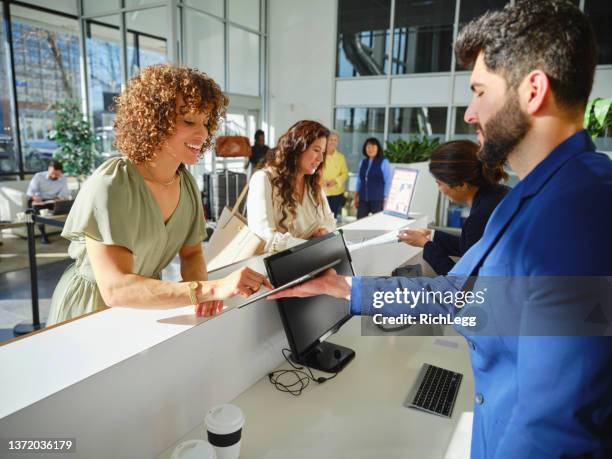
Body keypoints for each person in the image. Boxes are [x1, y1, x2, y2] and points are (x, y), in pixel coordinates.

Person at [271, 1, 612, 457]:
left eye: (479, 91)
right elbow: (460, 295)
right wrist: (348, 289)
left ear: (533, 90)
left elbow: (559, 426)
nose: (470, 113)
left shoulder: (582, 211)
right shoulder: (533, 198)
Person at [47, 64, 270, 326]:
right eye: (188, 121)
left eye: (206, 121)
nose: (202, 133)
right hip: (89, 309)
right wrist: (209, 289)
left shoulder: (186, 184)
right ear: (153, 121)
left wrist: (201, 295)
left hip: (145, 302)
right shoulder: (113, 183)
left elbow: (192, 254)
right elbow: (116, 289)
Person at [399, 140, 510, 275]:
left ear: (461, 184)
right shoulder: (502, 193)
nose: (439, 189)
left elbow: (461, 282)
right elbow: (471, 247)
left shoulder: (478, 219)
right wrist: (432, 236)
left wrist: (425, 245)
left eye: (439, 183)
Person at [247, 120, 336, 253]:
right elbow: (264, 237)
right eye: (316, 150)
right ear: (297, 147)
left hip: (312, 260)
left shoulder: (313, 183)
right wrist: (310, 246)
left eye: (323, 152)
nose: (321, 159)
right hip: (275, 268)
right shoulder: (264, 179)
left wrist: (324, 231)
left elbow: (330, 221)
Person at [26, 160, 72, 244]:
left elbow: (65, 193)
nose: (54, 175)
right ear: (49, 169)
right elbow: (30, 192)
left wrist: (60, 198)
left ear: (60, 172)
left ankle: (71, 233)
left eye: (57, 174)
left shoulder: (63, 178)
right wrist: (35, 197)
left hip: (53, 200)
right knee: (37, 210)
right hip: (39, 200)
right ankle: (44, 235)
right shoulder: (39, 176)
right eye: (53, 173)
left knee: (70, 208)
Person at [354, 137, 392, 219]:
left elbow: (388, 181)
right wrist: (356, 196)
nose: (370, 149)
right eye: (368, 147)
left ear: (378, 148)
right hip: (363, 198)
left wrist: (385, 199)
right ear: (365, 148)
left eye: (373, 147)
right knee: (360, 222)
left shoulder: (384, 162)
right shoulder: (362, 162)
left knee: (377, 223)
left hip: (378, 199)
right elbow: (359, 181)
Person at [321, 131, 348, 218]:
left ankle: (331, 232)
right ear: (326, 140)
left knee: (333, 217)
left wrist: (336, 181)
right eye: (331, 139)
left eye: (335, 140)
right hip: (321, 192)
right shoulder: (320, 154)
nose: (333, 142)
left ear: (337, 142)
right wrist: (321, 181)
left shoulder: (341, 157)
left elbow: (345, 174)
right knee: (321, 218)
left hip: (337, 193)